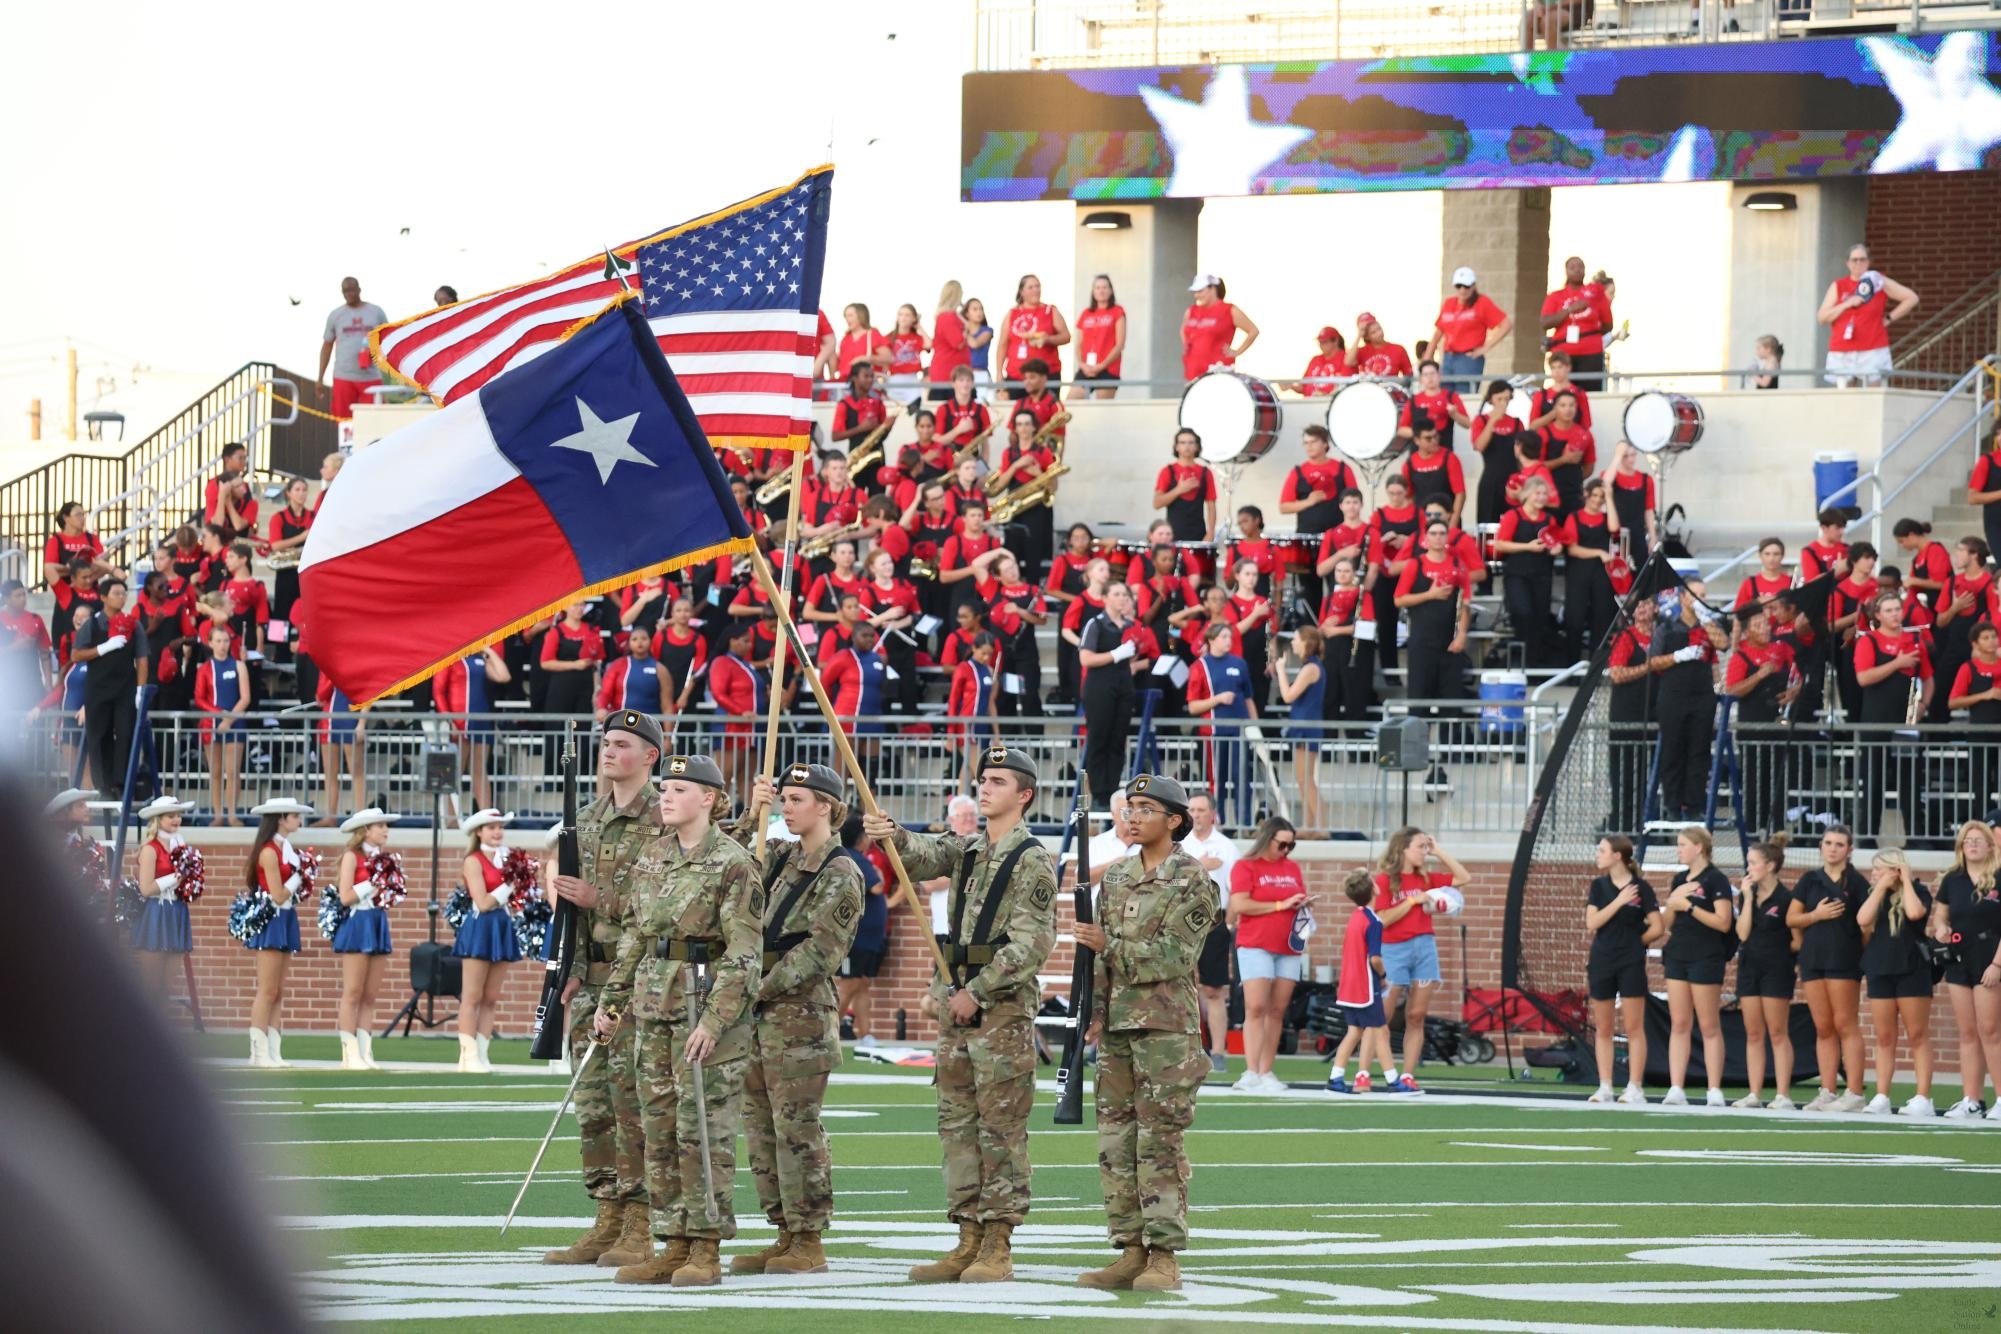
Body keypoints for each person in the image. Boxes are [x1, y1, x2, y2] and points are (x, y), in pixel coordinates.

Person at [863, 744, 1058, 1285]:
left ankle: (997, 1241)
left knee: (999, 1128)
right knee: (956, 1126)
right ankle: (967, 1235)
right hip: (956, 1005)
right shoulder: (969, 849)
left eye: (998, 781)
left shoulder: (1033, 858)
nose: (986, 787)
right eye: (983, 779)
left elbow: (1032, 942)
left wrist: (978, 989)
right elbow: (924, 855)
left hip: (997, 1009)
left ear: (1024, 794)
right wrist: (893, 834)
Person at [593, 751, 762, 1286]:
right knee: (659, 1128)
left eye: (679, 790)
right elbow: (636, 936)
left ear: (708, 798)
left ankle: (705, 1245)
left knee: (702, 1132)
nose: (665, 796)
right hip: (652, 1008)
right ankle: (672, 1240)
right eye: (664, 788)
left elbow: (743, 953)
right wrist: (611, 1000)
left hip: (702, 1009)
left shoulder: (733, 862)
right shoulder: (652, 856)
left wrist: (714, 1021)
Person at [714, 762, 864, 1280]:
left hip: (797, 1014)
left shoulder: (841, 870)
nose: (786, 807)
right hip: (756, 1014)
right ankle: (782, 1231)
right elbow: (719, 856)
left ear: (826, 805)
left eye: (797, 799)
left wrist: (755, 985)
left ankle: (808, 1237)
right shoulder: (776, 854)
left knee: (796, 1129)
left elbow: (822, 950)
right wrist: (748, 812)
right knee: (759, 1130)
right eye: (784, 798)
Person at [1073, 773, 1214, 1294]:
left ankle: (1164, 1255)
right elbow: (1100, 963)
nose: (1133, 816)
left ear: (1174, 821)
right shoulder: (1115, 878)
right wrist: (1093, 1010)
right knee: (1116, 1142)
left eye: (1145, 809)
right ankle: (1130, 1248)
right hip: (1117, 1030)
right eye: (1130, 807)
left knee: (1159, 1142)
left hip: (1165, 1032)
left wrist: (1106, 944)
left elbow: (1176, 957)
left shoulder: (1192, 879)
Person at [541, 711, 666, 1268]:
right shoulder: (586, 818)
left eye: (622, 744)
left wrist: (601, 900)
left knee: (633, 1105)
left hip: (641, 978)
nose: (609, 752)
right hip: (590, 978)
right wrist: (566, 966)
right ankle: (606, 1215)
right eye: (606, 743)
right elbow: (571, 914)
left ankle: (640, 1222)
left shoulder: (669, 814)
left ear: (650, 757)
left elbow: (672, 901)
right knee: (593, 1107)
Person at [1374, 826, 1466, 1091]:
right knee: (1384, 1014)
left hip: (1424, 947)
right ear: (1403, 849)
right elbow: (1382, 919)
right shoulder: (1385, 880)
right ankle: (1368, 1071)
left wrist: (1439, 852)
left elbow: (1463, 877)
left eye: (1427, 848)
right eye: (1421, 847)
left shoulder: (1426, 878)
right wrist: (1411, 902)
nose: (1424, 852)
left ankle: (1407, 1075)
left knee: (1417, 1014)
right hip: (1394, 949)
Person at [1788, 824, 1870, 1113]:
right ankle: (1827, 1091)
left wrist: (1854, 949)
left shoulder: (1857, 883)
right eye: (1828, 843)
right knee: (1823, 1028)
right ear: (1820, 846)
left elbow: (1867, 925)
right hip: (1813, 960)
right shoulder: (1809, 880)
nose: (1832, 848)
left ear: (1849, 850)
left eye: (1839, 844)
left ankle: (1856, 1092)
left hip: (1843, 960)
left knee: (1845, 1023)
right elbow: (1792, 919)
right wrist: (1816, 915)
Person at [1228, 818, 1306, 1093]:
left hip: (1288, 944)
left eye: (1291, 844)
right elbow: (1239, 904)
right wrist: (1279, 904)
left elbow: (1296, 895)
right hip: (1256, 942)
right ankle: (1250, 1070)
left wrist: (1300, 905)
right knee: (1256, 1007)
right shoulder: (1246, 866)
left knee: (1277, 1010)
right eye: (1282, 844)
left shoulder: (1292, 867)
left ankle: (1266, 1070)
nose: (1286, 850)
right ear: (1267, 839)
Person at [1856, 847, 1935, 1116]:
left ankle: (1923, 1097)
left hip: (1912, 968)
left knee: (1917, 1034)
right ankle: (1881, 1096)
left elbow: (1914, 914)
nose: (1874, 873)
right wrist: (1880, 888)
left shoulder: (1919, 891)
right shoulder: (1874, 895)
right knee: (1885, 1036)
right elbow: (1862, 920)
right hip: (1880, 968)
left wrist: (1907, 880)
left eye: (1879, 868)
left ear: (1895, 869)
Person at [1659, 825, 1734, 1107]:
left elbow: (1723, 922)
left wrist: (1689, 906)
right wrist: (1672, 903)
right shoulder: (1679, 879)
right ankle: (1676, 1086)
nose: (1678, 850)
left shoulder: (1716, 880)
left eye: (1682, 844)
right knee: (1679, 1022)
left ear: (1698, 847)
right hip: (1678, 954)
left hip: (1706, 955)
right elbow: (1666, 925)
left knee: (1708, 1024)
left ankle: (1714, 1088)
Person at [1932, 820, 2001, 1120]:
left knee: (1991, 1031)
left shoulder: (1998, 877)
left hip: (1990, 959)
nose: (1972, 844)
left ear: (1990, 845)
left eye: (1978, 840)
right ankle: (1971, 1099)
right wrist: (1940, 929)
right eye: (1967, 840)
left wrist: (1998, 964)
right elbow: (1940, 917)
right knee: (1967, 1032)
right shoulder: (1953, 879)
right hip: (1960, 960)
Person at [1585, 835, 1660, 1105]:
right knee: (1603, 1026)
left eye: (1603, 850)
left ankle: (1634, 1086)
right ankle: (1605, 1085)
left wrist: (1634, 944)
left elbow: (1658, 926)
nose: (1598, 854)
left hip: (1630, 962)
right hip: (1602, 959)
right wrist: (1618, 901)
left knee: (1633, 1026)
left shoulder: (1642, 888)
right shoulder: (1599, 886)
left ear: (1617, 856)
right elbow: (1591, 922)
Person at [1854, 590, 1931, 840]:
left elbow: (1929, 679)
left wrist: (1923, 705)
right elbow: (1864, 678)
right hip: (1875, 720)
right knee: (1873, 779)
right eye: (1888, 610)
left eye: (1897, 609)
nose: (1895, 614)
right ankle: (1867, 836)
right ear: (1877, 615)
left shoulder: (1915, 641)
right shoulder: (1869, 641)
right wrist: (1897, 663)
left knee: (1909, 780)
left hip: (1906, 722)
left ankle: (1916, 836)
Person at [452, 809, 525, 1074]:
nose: (497, 832)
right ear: (478, 832)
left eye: (500, 827)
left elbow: (515, 899)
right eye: (491, 827)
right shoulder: (473, 860)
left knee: (491, 997)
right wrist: (509, 885)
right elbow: (482, 903)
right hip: (481, 927)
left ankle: (483, 1053)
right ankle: (467, 1055)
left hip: (502, 925)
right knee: (472, 995)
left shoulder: (508, 859)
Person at [1650, 586, 1730, 822]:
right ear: (1682, 598)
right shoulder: (1666, 627)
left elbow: (1724, 644)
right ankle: (1673, 806)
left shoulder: (1709, 624)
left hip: (1702, 695)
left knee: (1700, 750)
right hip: (1673, 695)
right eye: (1696, 595)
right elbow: (1653, 662)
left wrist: (1705, 618)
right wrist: (1678, 656)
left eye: (1704, 595)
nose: (1701, 599)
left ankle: (1694, 805)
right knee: (1673, 750)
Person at [242, 797, 311, 1068]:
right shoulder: (269, 851)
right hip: (272, 918)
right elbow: (279, 893)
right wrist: (300, 877)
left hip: (286, 917)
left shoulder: (288, 849)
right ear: (280, 818)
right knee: (267, 989)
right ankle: (258, 1053)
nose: (298, 819)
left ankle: (274, 1051)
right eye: (294, 815)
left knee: (279, 990)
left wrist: (301, 878)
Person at [1732, 838, 1799, 1110]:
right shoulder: (1746, 895)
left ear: (1770, 866)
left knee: (1777, 1031)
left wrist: (1781, 956)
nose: (1749, 868)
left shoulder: (1787, 898)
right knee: (1754, 1032)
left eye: (1753, 863)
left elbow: (1797, 940)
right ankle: (1754, 1093)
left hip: (1777, 969)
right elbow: (1742, 933)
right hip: (1749, 967)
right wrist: (1747, 898)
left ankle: (1783, 1094)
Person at [1724, 609, 1801, 841]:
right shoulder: (1741, 655)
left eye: (1765, 624)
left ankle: (1777, 827)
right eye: (1758, 625)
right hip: (1752, 726)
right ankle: (1751, 830)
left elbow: (1799, 675)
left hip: (1778, 724)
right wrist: (1758, 676)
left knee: (1778, 776)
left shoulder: (1782, 648)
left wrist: (1794, 691)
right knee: (1754, 778)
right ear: (1747, 632)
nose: (1765, 628)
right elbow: (1732, 690)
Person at [72, 576, 149, 801]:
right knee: (98, 737)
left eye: (124, 593)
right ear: (103, 597)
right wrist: (103, 648)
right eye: (116, 593)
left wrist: (140, 689)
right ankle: (103, 786)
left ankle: (122, 783)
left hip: (125, 688)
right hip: (97, 689)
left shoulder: (134, 625)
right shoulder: (93, 624)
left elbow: (142, 658)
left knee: (125, 733)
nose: (121, 597)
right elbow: (76, 654)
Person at [331, 807, 396, 1070]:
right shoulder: (351, 856)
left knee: (370, 994)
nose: (385, 830)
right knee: (353, 991)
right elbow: (345, 896)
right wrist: (374, 882)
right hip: (358, 922)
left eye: (385, 825)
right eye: (379, 825)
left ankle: (366, 1050)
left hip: (378, 920)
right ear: (365, 830)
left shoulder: (384, 858)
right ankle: (349, 1053)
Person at [1179, 792, 1240, 1074]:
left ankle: (1218, 1051)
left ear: (1212, 814)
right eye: (1192, 809)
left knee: (1214, 990)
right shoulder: (1178, 845)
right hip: (1180, 922)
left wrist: (1228, 924)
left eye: (1201, 810)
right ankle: (1185, 1049)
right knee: (1179, 987)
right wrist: (1199, 866)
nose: (1196, 815)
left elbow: (1236, 890)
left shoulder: (1227, 848)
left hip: (1213, 923)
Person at [1078, 582, 1147, 802]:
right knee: (1099, 738)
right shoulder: (1096, 624)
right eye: (1116, 594)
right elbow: (1086, 658)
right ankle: (1098, 794)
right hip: (1100, 686)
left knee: (1118, 739)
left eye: (1124, 594)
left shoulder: (1130, 624)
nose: (1122, 598)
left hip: (1124, 684)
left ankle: (1113, 790)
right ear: (1106, 598)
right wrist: (1115, 654)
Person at [1326, 870, 1392, 1094]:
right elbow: (1375, 958)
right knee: (1378, 1029)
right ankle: (1393, 1079)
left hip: (1348, 986)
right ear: (1374, 889)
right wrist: (1383, 976)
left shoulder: (1355, 916)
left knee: (1354, 1032)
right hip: (1365, 987)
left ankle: (1335, 1077)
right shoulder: (1374, 921)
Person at [1397, 518, 1474, 706]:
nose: (1438, 538)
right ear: (1426, 538)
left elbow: (1465, 604)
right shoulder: (1415, 565)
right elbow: (1399, 599)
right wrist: (1430, 595)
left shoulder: (1458, 565)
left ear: (1447, 536)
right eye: (1433, 533)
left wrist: (1462, 635)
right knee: (1418, 703)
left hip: (1450, 644)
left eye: (1442, 533)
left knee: (1451, 705)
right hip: (1421, 643)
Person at [1818, 244, 1918, 388]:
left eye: (1862, 259)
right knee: (1846, 397)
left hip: (1873, 347)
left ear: (1869, 262)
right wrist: (1846, 304)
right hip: (1842, 349)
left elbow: (1911, 298)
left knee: (1873, 394)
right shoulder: (1839, 285)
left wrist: (1889, 318)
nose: (1858, 263)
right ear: (1847, 263)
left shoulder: (1878, 281)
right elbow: (1822, 317)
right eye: (1854, 260)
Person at [1187, 623, 1255, 828]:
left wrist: (1255, 725)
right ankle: (1218, 823)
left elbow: (1249, 698)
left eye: (1229, 636)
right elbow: (1192, 706)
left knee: (1242, 778)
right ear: (1212, 639)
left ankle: (1245, 823)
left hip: (1238, 731)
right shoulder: (1200, 666)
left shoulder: (1239, 663)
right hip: (1213, 732)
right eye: (1224, 636)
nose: (1228, 640)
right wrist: (1216, 700)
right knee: (1217, 780)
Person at [837, 814, 895, 1048]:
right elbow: (877, 886)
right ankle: (826, 1033)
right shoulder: (855, 859)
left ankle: (866, 1034)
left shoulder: (855, 857)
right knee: (849, 984)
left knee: (861, 983)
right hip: (856, 938)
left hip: (868, 938)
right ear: (861, 838)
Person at [132, 794, 196, 998]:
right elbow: (146, 888)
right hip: (156, 912)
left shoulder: (181, 847)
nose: (177, 819)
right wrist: (176, 877)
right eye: (171, 816)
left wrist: (192, 883)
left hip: (177, 910)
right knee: (151, 986)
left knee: (167, 986)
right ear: (158, 819)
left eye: (178, 815)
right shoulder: (151, 849)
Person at [1272, 625, 1326, 833]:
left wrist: (1281, 670)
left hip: (1307, 726)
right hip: (1302, 724)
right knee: (1302, 779)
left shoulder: (1311, 668)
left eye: (1296, 639)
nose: (1292, 642)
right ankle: (1309, 825)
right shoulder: (1310, 667)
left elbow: (1288, 696)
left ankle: (1321, 826)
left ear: (1306, 643)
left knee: (1306, 779)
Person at [193, 624, 249, 825]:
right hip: (211, 723)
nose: (222, 645)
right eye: (218, 641)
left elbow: (245, 698)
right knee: (215, 772)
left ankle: (232, 813)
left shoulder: (239, 666)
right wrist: (219, 716)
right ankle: (218, 814)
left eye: (225, 641)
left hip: (235, 723)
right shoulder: (205, 669)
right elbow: (199, 698)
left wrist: (228, 719)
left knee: (233, 771)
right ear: (210, 643)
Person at [1561, 478, 1620, 663]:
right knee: (1575, 619)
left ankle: (1597, 666)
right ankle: (1571, 665)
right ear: (1586, 495)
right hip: (1578, 573)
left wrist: (1609, 498)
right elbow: (1572, 548)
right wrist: (1599, 552)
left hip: (1600, 574)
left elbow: (1614, 528)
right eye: (1595, 495)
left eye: (1601, 496)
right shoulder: (1574, 517)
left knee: (1601, 618)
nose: (1597, 500)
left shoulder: (1604, 518)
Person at [318, 277, 388, 420]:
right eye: (345, 291)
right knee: (344, 423)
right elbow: (327, 346)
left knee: (372, 422)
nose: (349, 294)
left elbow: (388, 340)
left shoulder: (376, 312)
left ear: (359, 290)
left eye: (352, 290)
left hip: (370, 377)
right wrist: (320, 378)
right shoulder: (335, 315)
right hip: (343, 377)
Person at [1430, 266, 1512, 389]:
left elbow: (1506, 324)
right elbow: (1439, 330)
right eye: (1458, 286)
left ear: (1473, 286)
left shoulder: (1482, 302)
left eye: (1466, 286)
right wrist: (1428, 354)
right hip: (1448, 357)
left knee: (1464, 398)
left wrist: (1485, 348)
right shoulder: (1449, 303)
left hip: (1467, 359)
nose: (1462, 290)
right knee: (1444, 397)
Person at [1542, 255, 1615, 385]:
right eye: (1572, 267)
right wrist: (1569, 310)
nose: (1577, 270)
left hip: (1591, 353)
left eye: (1581, 266)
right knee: (1564, 394)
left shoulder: (1595, 294)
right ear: (1566, 271)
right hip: (1563, 354)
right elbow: (1545, 323)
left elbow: (1608, 325)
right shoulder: (1555, 296)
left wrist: (1590, 335)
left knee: (1589, 394)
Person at [1001, 274, 1070, 393]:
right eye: (1031, 287)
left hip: (1046, 376)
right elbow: (1003, 344)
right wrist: (999, 372)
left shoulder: (1050, 310)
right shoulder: (1012, 313)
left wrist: (1048, 339)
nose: (1036, 290)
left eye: (1038, 286)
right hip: (1017, 376)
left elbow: (1066, 337)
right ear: (1022, 292)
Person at [1181, 275, 1258, 381]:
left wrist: (1237, 351)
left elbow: (1253, 331)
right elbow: (1184, 330)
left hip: (1218, 372)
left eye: (1200, 291)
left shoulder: (1229, 310)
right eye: (1195, 292)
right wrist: (1186, 344)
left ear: (1212, 289)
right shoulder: (1191, 311)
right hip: (1193, 372)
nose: (1196, 295)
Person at [1154, 428, 1218, 553]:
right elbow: (1157, 503)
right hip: (1172, 535)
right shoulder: (1168, 471)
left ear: (1197, 446)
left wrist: (1211, 532)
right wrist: (1179, 490)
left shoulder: (1205, 472)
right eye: (1182, 443)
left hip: (1199, 535)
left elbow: (1211, 505)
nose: (1187, 446)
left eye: (1191, 442)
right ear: (1176, 447)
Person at [1470, 380, 1523, 528]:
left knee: (1514, 523)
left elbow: (1523, 456)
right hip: (1491, 478)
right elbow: (1479, 446)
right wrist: (1493, 421)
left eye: (1506, 399)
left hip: (1513, 479)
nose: (1503, 403)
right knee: (1488, 523)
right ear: (1491, 399)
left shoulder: (1517, 423)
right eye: (1499, 399)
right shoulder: (1481, 420)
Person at [540, 600, 605, 717]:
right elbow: (545, 663)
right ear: (565, 607)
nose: (579, 608)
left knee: (582, 725)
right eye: (575, 604)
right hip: (561, 684)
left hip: (585, 684)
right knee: (558, 725)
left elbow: (596, 663)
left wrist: (597, 688)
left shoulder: (591, 629)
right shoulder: (556, 631)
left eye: (582, 605)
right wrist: (575, 665)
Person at [1072, 274, 1126, 399]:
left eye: (1104, 287)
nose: (1101, 291)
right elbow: (1078, 344)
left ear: (1111, 290)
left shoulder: (1117, 312)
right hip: (1087, 368)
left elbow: (1119, 344)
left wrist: (1102, 365)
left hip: (1108, 368)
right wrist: (1082, 364)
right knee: (1072, 401)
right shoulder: (1086, 313)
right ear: (1093, 291)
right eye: (1097, 288)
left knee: (1102, 409)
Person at [1601, 440, 1659, 554]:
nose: (1630, 459)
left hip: (1638, 533)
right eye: (1625, 456)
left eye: (1633, 455)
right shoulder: (1613, 476)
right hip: (1616, 533)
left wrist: (1652, 536)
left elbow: (1649, 510)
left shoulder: (1646, 479)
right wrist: (1617, 456)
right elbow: (1605, 482)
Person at [42, 500, 111, 588]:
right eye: (78, 515)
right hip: (67, 590)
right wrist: (79, 568)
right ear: (65, 518)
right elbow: (50, 568)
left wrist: (83, 576)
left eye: (83, 515)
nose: (82, 518)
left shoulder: (92, 538)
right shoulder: (55, 540)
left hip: (91, 588)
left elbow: (102, 565)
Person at [929, 280, 972, 402]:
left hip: (954, 372)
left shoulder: (949, 316)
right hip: (948, 373)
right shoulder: (947, 317)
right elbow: (957, 343)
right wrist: (966, 330)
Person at [1346, 311, 1413, 380]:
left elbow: (1409, 377)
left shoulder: (1399, 349)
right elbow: (1348, 362)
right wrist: (1359, 335)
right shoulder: (1362, 351)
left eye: (1379, 328)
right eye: (1373, 332)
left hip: (1391, 390)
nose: (1379, 333)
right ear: (1366, 337)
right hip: (1369, 389)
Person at [1968, 422, 2001, 560]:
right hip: (1997, 524)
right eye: (1998, 434)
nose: (2000, 437)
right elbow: (1972, 498)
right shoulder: (1987, 461)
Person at [835, 303, 887, 381]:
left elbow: (888, 358)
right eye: (845, 316)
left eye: (850, 315)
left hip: (866, 384)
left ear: (861, 316)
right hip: (846, 382)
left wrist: (865, 359)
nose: (847, 319)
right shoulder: (846, 338)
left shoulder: (872, 334)